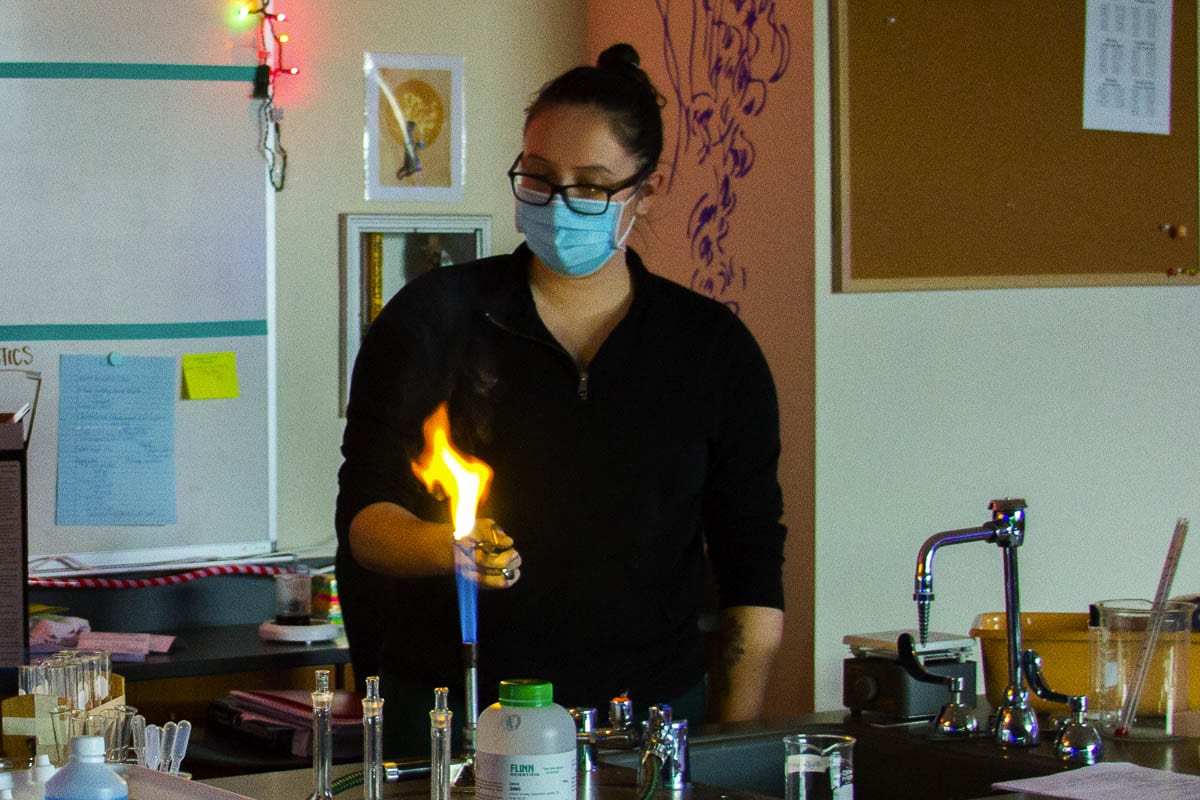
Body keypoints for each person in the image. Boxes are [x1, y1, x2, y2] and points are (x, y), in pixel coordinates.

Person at [335, 42, 786, 758]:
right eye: (539, 179)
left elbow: (751, 571)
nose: (558, 204)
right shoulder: (437, 320)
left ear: (645, 189)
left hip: (646, 721)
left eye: (591, 186)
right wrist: (446, 546)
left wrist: (730, 744)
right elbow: (366, 519)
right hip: (457, 717)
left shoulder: (709, 348)